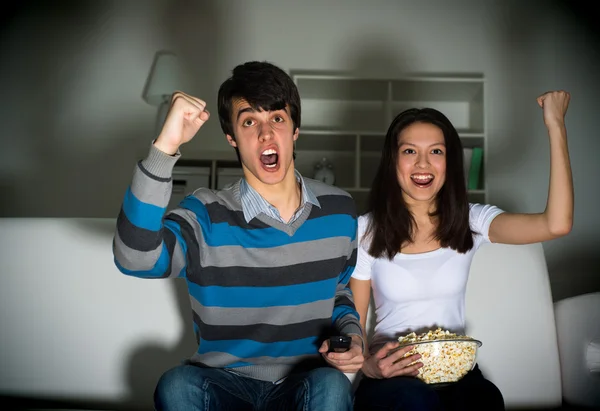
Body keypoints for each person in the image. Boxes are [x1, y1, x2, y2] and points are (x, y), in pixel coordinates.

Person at [112, 61, 365, 411]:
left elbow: (337, 290)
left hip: (306, 384)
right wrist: (165, 146)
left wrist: (352, 335)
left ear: (294, 129)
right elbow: (134, 258)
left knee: (333, 385)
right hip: (222, 384)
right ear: (231, 136)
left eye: (277, 118)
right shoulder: (203, 214)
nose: (265, 134)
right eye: (249, 121)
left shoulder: (339, 210)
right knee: (177, 385)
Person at [349, 90, 573, 411]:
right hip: (393, 377)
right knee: (415, 400)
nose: (423, 163)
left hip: (456, 372)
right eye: (409, 150)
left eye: (436, 151)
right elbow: (352, 324)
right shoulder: (366, 229)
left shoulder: (472, 219)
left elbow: (556, 224)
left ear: (449, 161)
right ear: (392, 160)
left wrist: (556, 124)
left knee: (485, 399)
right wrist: (368, 364)